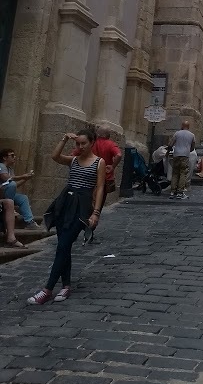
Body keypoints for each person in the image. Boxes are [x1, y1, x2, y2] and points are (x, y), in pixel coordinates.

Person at [26, 129, 106, 305]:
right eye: (77, 143)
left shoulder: (99, 162)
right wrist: (63, 139)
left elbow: (100, 188)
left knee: (63, 245)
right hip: (64, 203)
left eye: (83, 143)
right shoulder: (74, 160)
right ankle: (66, 285)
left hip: (82, 206)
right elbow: (55, 156)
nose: (80, 146)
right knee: (64, 246)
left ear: (92, 142)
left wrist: (96, 212)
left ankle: (47, 290)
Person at [0, 148, 39, 228]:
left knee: (23, 198)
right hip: (1, 193)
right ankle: (10, 209)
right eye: (12, 155)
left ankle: (29, 221)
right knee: (12, 184)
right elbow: (6, 178)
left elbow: (14, 185)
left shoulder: (10, 169)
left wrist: (25, 179)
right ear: (4, 157)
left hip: (6, 193)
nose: (15, 157)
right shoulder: (1, 166)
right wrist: (23, 176)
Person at [92, 128, 122, 208]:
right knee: (100, 202)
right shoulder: (110, 144)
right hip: (105, 177)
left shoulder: (91, 143)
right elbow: (119, 155)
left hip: (90, 175)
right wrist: (113, 166)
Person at [168, 121, 195, 200]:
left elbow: (170, 144)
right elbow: (193, 147)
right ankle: (180, 192)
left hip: (176, 155)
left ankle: (173, 192)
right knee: (183, 173)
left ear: (182, 125)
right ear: (188, 126)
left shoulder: (177, 133)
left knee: (175, 173)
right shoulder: (192, 135)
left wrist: (169, 151)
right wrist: (187, 151)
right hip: (185, 156)